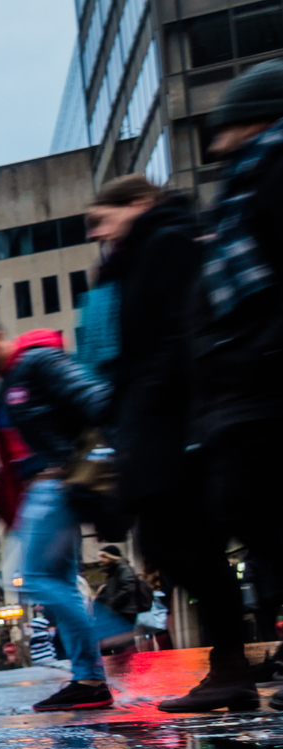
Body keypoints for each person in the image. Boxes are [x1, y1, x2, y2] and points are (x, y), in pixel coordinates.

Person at [84, 176, 250, 710]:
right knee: (176, 547)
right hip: (156, 421)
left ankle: (231, 667)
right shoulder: (133, 259)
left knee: (190, 545)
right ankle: (229, 667)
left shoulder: (168, 240)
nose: (97, 233)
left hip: (176, 422)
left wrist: (147, 399)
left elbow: (178, 333)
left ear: (139, 203)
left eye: (102, 219)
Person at [0, 317, 114, 712]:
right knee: (56, 579)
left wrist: (105, 449)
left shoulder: (39, 361)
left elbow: (93, 397)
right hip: (42, 486)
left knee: (29, 576)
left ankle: (108, 637)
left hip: (57, 483)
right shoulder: (6, 387)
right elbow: (23, 449)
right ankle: (89, 678)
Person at [193, 61, 283, 706]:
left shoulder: (270, 172)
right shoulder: (244, 182)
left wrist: (253, 352)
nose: (215, 134)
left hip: (263, 375)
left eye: (225, 121)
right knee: (254, 514)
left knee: (256, 510)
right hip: (247, 378)